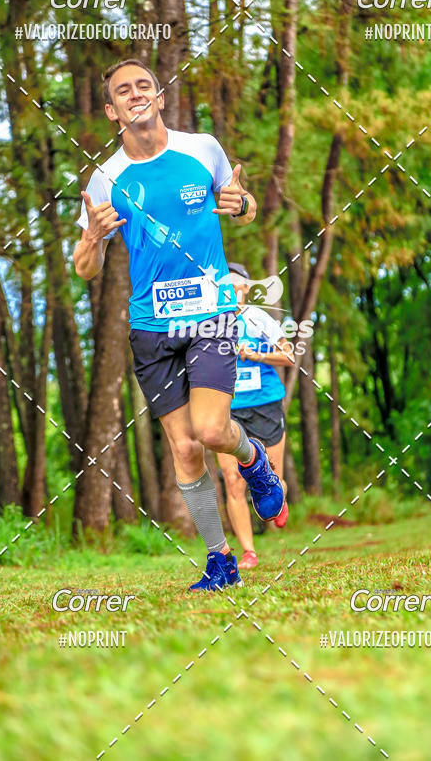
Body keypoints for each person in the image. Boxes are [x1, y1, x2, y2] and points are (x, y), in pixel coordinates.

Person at [73, 59, 285, 591]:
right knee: (185, 449)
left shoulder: (202, 148)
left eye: (144, 85)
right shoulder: (106, 177)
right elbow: (85, 269)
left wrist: (242, 204)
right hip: (151, 325)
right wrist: (92, 239)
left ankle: (254, 460)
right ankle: (221, 560)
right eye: (123, 90)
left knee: (213, 431)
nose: (136, 94)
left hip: (210, 313)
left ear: (160, 96)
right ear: (111, 110)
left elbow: (244, 205)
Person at [215, 262, 293, 569]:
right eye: (225, 285)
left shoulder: (259, 318)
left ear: (246, 287)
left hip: (265, 404)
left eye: (236, 284)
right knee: (233, 481)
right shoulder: (211, 322)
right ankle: (249, 552)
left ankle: (279, 497)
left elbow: (288, 355)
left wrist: (255, 354)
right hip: (227, 407)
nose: (232, 290)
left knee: (273, 478)